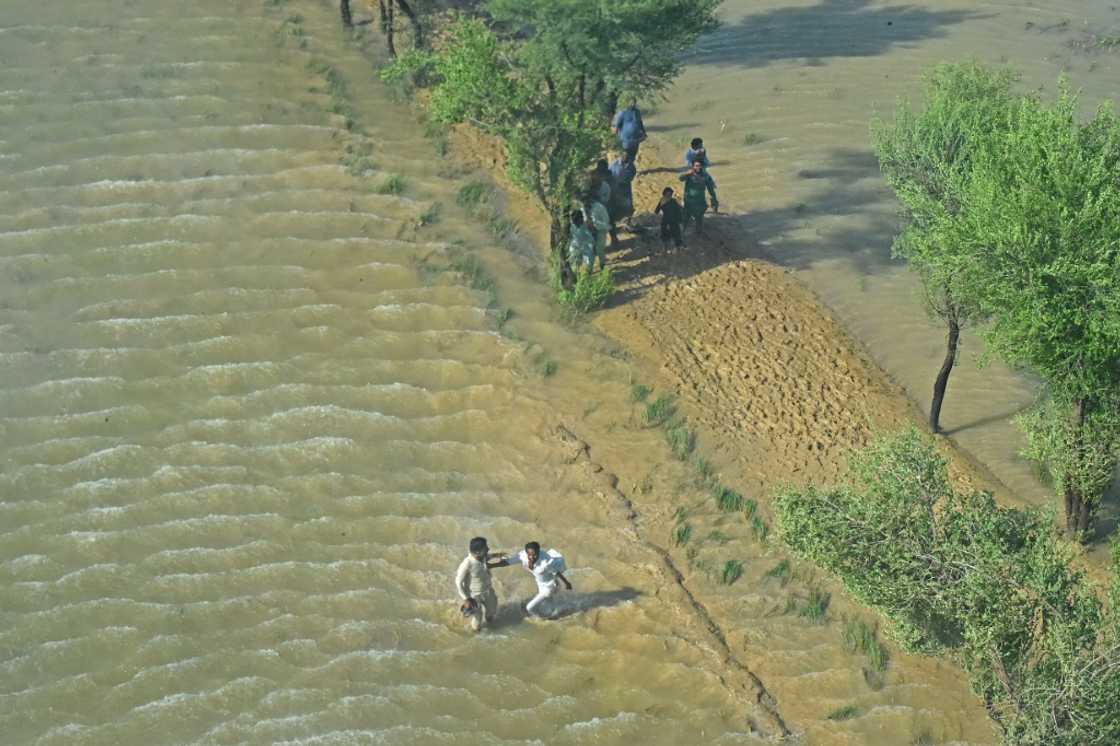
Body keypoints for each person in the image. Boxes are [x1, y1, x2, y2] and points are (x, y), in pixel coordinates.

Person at [455, 536, 513, 632]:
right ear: (478, 552)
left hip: (488, 590)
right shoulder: (467, 563)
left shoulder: (482, 556)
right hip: (473, 596)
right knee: (478, 619)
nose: (488, 549)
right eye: (486, 548)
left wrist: (498, 555)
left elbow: (488, 556)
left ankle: (491, 626)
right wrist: (466, 599)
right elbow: (458, 582)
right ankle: (476, 635)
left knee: (492, 611)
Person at [510, 541, 572, 618]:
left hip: (550, 586)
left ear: (538, 552)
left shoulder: (545, 563)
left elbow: (556, 573)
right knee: (549, 604)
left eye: (534, 554)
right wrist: (492, 565)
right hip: (541, 584)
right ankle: (559, 612)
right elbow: (508, 562)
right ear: (527, 553)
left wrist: (567, 583)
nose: (532, 557)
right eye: (529, 554)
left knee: (529, 607)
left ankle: (543, 618)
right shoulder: (524, 557)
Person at [679, 158, 719, 237]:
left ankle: (698, 235)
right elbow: (681, 178)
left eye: (700, 166)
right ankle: (681, 233)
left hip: (700, 200)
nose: (698, 167)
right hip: (689, 199)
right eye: (696, 166)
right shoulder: (689, 174)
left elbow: (710, 188)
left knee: (699, 218)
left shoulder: (705, 175)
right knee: (686, 217)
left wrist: (714, 198)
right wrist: (687, 174)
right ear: (693, 166)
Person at [583, 193, 611, 271]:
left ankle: (602, 265)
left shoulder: (599, 207)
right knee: (590, 251)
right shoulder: (583, 209)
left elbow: (606, 221)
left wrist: (595, 224)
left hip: (600, 231)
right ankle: (589, 269)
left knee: (600, 249)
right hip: (588, 232)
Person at [608, 151, 637, 226]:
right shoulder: (614, 165)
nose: (625, 159)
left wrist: (627, 179)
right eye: (624, 157)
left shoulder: (631, 165)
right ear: (620, 156)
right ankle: (615, 223)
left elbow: (633, 173)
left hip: (626, 188)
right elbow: (609, 175)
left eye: (627, 158)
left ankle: (628, 222)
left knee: (628, 205)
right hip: (616, 188)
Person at [655, 186, 684, 253]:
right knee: (669, 235)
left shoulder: (672, 201)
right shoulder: (665, 201)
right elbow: (657, 211)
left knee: (674, 234)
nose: (668, 196)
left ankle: (676, 248)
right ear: (664, 194)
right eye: (667, 194)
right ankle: (669, 248)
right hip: (668, 221)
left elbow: (656, 211)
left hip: (672, 221)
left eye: (669, 194)